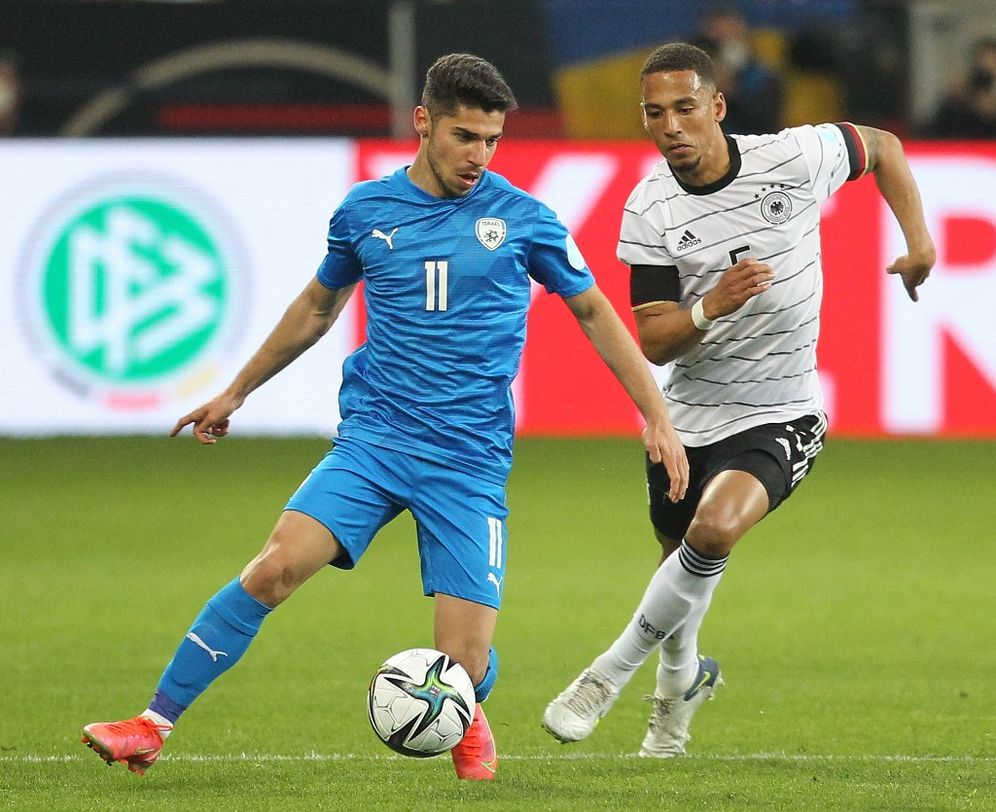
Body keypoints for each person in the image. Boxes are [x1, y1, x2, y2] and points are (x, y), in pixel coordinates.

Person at [79, 53, 689, 781]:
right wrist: (236, 390)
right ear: (423, 123)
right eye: (465, 136)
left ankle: (467, 705)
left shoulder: (523, 220)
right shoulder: (364, 212)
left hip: (468, 461)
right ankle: (151, 724)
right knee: (273, 569)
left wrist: (655, 414)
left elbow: (593, 310)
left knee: (462, 662)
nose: (479, 156)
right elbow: (316, 308)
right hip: (375, 440)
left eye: (491, 140)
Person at [542, 42, 934, 757]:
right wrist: (710, 307)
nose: (671, 126)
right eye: (654, 114)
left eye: (685, 108)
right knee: (682, 570)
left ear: (717, 106)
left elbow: (884, 147)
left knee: (715, 531)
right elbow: (655, 340)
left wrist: (920, 242)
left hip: (783, 409)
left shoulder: (794, 157)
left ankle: (605, 676)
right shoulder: (650, 207)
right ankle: (680, 688)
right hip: (688, 417)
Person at [694, 7, 783, 136]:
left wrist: (731, 92)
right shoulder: (693, 78)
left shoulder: (763, 78)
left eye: (729, 37)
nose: (725, 46)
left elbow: (764, 126)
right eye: (718, 40)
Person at [922, 36, 996, 139]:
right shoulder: (971, 79)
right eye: (982, 58)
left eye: (990, 58)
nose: (985, 63)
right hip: (969, 128)